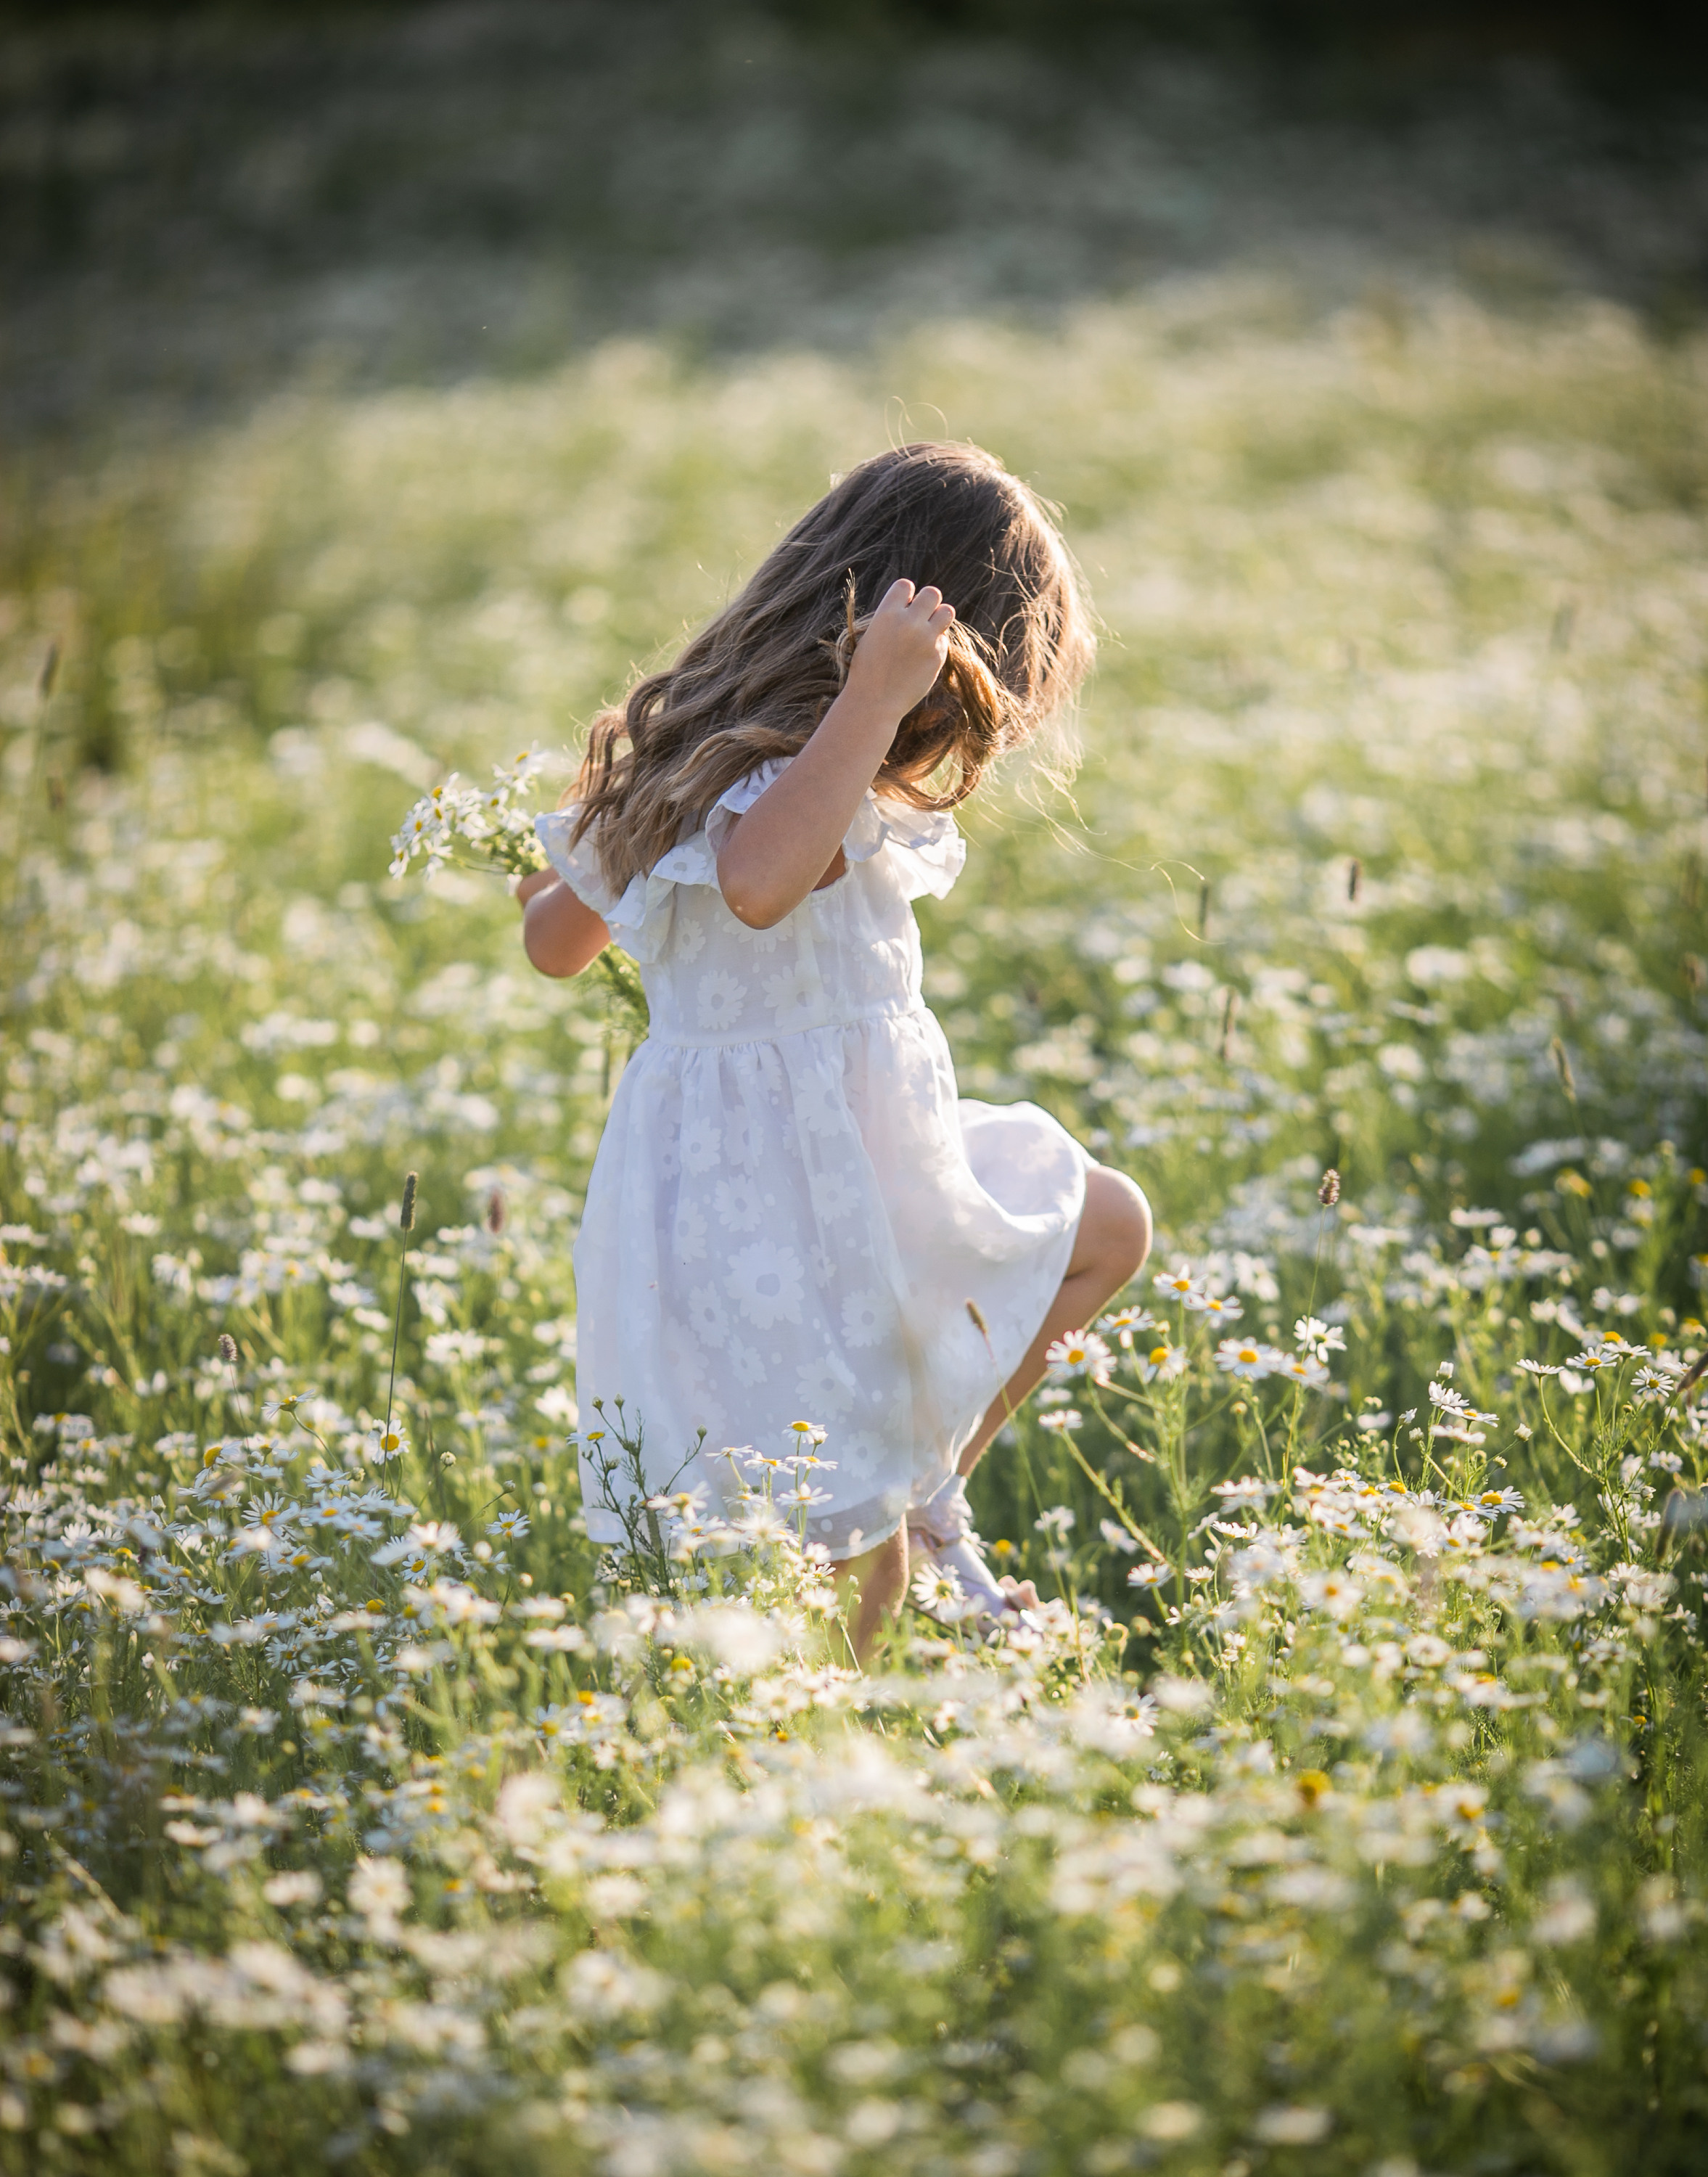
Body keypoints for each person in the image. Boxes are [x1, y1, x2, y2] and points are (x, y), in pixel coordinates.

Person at [516, 441, 1151, 1658]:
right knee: (849, 1565)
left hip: (871, 1172)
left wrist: (574, 873)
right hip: (767, 1211)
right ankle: (819, 1772)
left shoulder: (744, 762)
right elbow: (756, 887)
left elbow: (553, 941)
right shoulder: (764, 774)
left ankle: (928, 1494)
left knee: (1104, 1228)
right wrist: (868, 705)